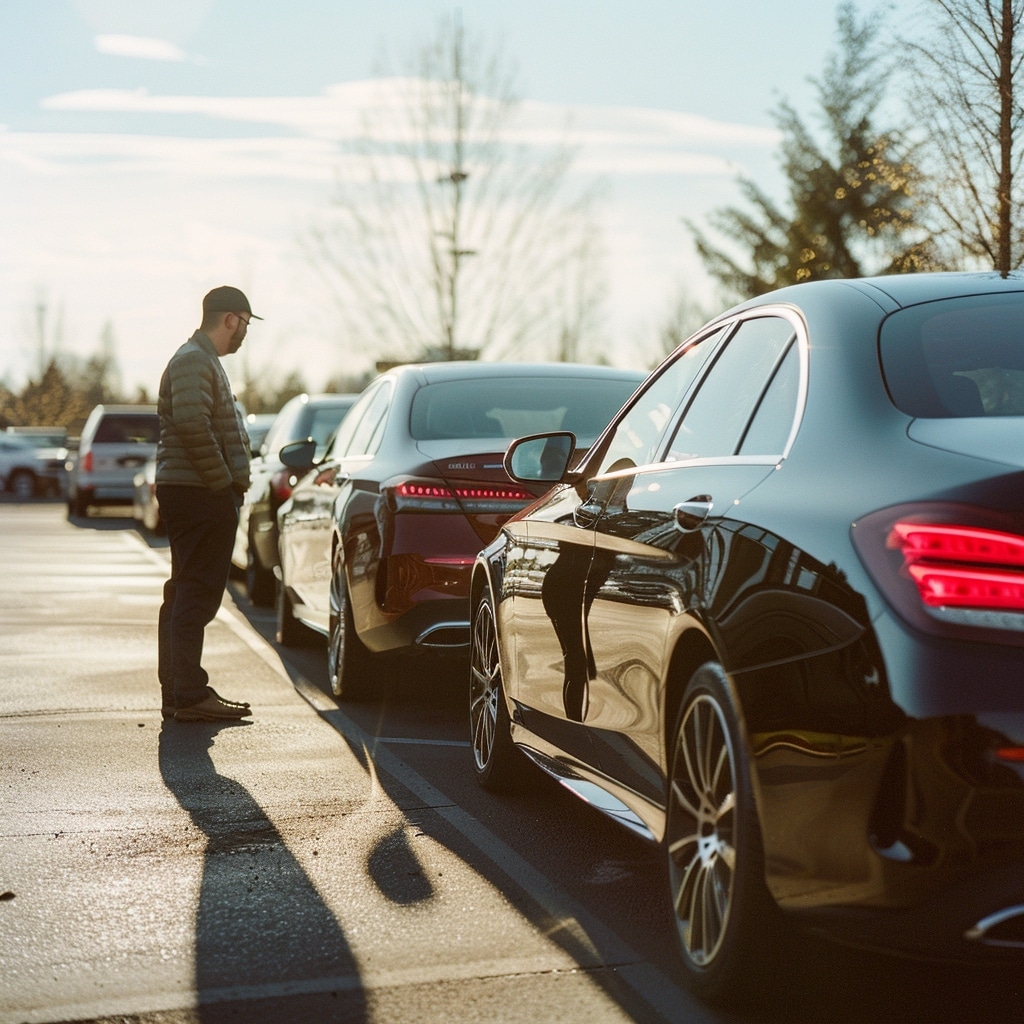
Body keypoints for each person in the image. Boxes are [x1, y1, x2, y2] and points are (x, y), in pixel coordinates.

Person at [156, 286, 260, 722]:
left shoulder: (202, 360)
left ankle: (181, 693)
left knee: (185, 590)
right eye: (246, 324)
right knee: (195, 592)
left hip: (196, 490)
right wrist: (222, 484)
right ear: (230, 319)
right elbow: (192, 425)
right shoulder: (194, 361)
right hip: (198, 492)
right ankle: (188, 694)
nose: (245, 335)